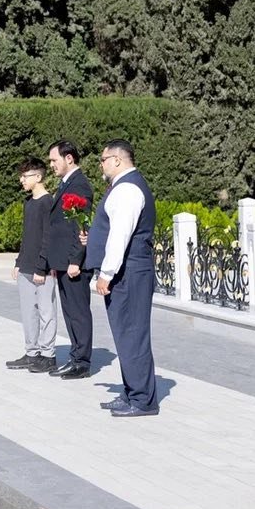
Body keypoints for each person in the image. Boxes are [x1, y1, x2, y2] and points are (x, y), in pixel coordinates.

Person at [83, 139, 160, 417]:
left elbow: (120, 235)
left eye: (103, 160)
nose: (101, 165)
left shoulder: (127, 189)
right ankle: (131, 392)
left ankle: (142, 400)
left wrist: (106, 274)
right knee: (125, 334)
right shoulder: (125, 186)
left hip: (129, 273)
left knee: (132, 334)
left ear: (117, 160)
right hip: (128, 272)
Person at [41, 139, 94, 379]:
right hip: (63, 262)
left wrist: (75, 260)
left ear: (69, 158)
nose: (51, 165)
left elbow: (80, 226)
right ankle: (75, 357)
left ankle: (81, 362)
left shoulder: (79, 185)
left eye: (54, 160)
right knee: (70, 313)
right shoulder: (66, 184)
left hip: (73, 264)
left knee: (78, 313)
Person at [5, 157, 57, 373]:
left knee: (46, 311)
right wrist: (19, 262)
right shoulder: (28, 203)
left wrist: (41, 267)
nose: (21, 180)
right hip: (26, 267)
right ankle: (31, 352)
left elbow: (48, 237)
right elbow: (27, 236)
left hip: (43, 269)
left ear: (38, 176)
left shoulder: (48, 202)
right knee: (29, 313)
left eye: (25, 176)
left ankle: (48, 355)